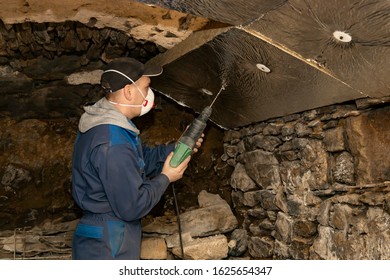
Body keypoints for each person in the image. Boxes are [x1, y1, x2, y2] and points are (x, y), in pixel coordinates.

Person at [71, 57, 203, 259]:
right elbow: (133, 207)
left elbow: (139, 161)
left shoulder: (106, 125)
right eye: (146, 86)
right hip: (110, 243)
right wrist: (166, 177)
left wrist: (175, 149)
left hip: (104, 235)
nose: (150, 93)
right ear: (129, 91)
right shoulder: (113, 142)